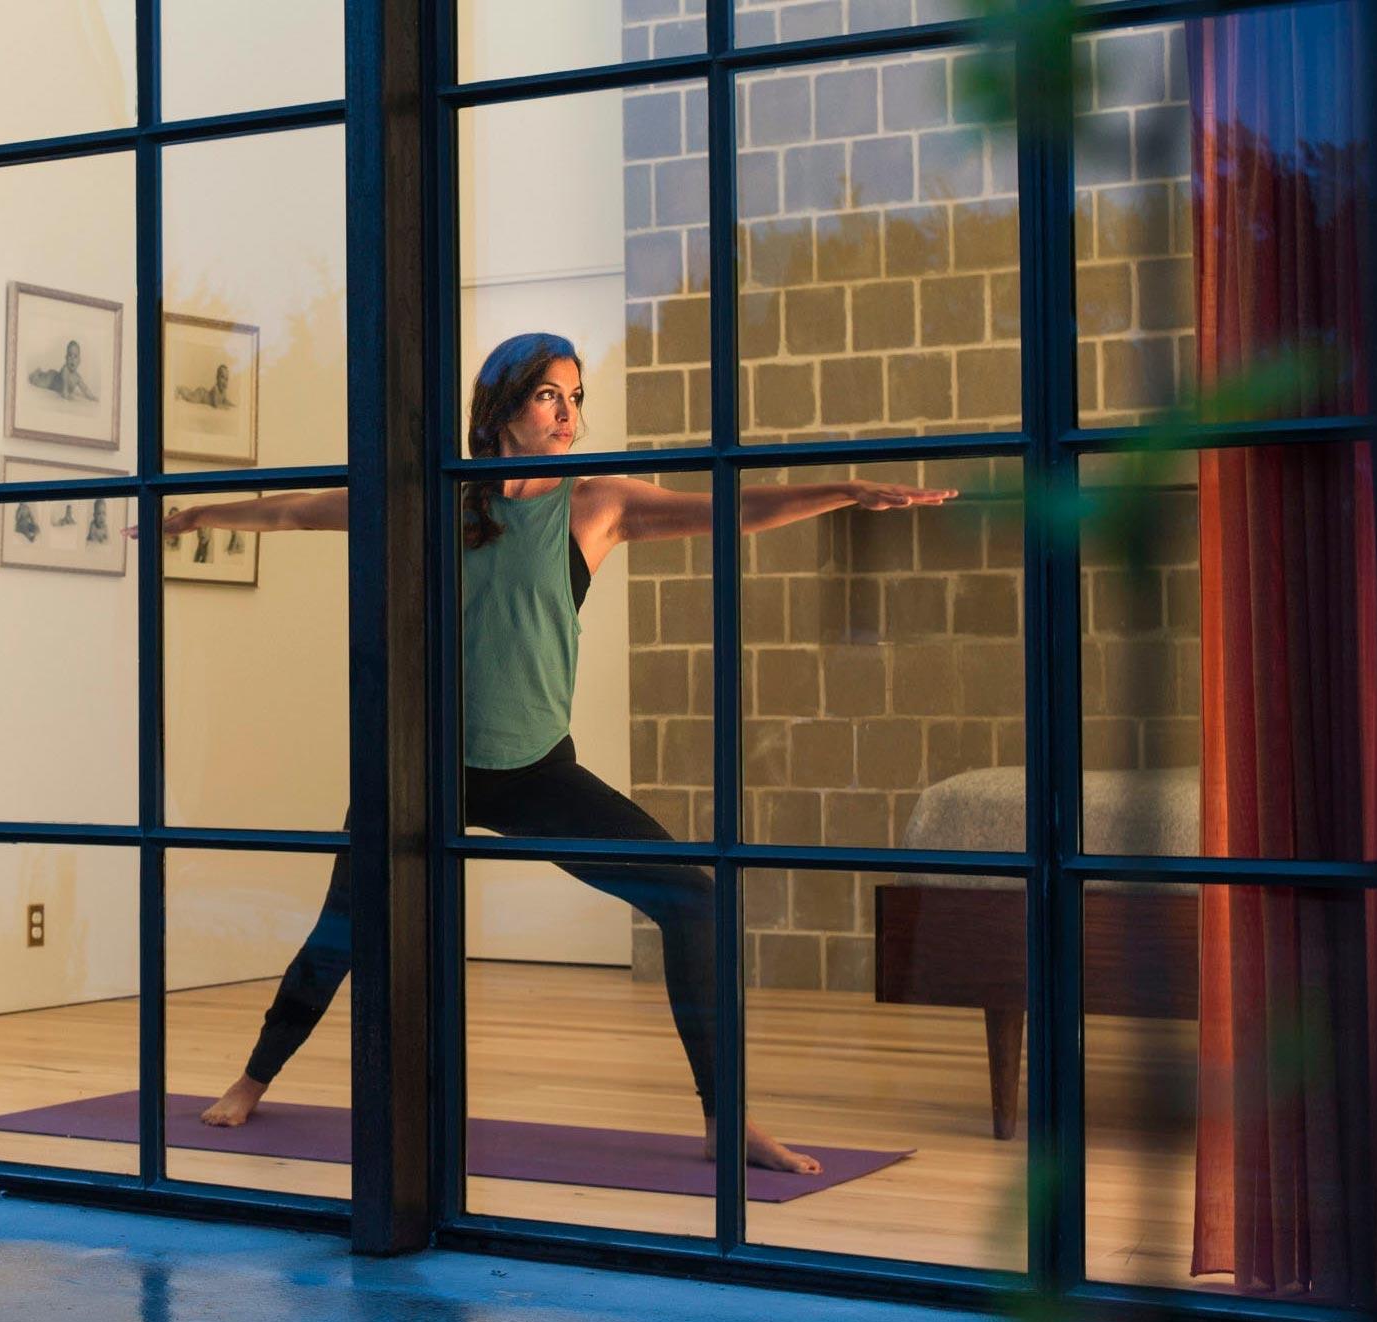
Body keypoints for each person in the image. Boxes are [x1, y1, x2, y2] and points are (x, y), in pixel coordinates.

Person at [150, 331, 952, 1175]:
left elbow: (731, 505)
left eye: (575, 397)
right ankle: (252, 1078)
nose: (568, 414)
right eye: (548, 396)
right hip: (421, 769)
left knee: (692, 899)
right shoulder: (434, 496)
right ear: (501, 409)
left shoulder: (596, 503)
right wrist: (200, 514)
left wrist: (844, 491)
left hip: (535, 770)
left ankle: (727, 1118)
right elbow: (299, 510)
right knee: (343, 931)